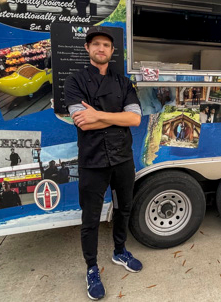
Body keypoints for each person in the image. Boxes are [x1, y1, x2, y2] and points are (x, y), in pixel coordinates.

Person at [63, 28, 143, 300]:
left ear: (112, 51)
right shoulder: (74, 82)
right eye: (96, 44)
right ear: (88, 48)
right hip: (93, 160)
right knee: (91, 218)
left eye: (106, 45)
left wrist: (97, 114)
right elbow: (81, 120)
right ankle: (91, 267)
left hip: (122, 158)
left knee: (123, 208)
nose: (101, 48)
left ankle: (120, 251)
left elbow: (135, 119)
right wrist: (114, 115)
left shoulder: (123, 83)